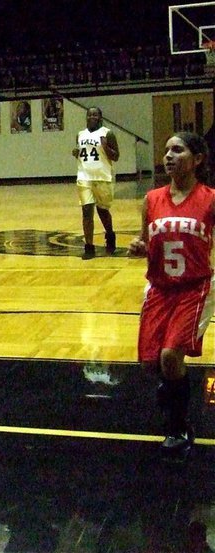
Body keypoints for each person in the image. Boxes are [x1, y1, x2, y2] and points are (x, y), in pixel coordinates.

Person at [128, 131, 215, 462]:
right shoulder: (151, 200)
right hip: (160, 288)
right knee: (152, 363)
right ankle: (172, 394)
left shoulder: (209, 199)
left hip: (194, 287)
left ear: (197, 160)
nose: (168, 155)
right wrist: (139, 247)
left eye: (177, 150)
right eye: (166, 150)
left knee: (169, 357)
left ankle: (179, 428)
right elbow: (145, 241)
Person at [73, 106, 119, 259]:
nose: (92, 117)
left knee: (103, 210)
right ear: (86, 117)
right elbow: (82, 153)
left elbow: (116, 156)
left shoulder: (107, 133)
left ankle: (110, 235)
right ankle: (89, 247)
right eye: (89, 114)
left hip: (103, 177)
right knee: (86, 211)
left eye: (95, 114)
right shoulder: (80, 134)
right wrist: (76, 154)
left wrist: (105, 147)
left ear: (100, 117)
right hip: (84, 176)